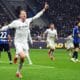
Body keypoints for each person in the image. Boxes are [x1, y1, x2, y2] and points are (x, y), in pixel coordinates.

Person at [0, 2, 49, 78]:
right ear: (20, 15)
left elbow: (37, 16)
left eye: (25, 14)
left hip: (25, 43)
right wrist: (1, 29)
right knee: (22, 56)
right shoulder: (16, 22)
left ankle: (18, 72)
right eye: (23, 14)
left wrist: (44, 9)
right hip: (18, 42)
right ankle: (16, 56)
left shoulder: (28, 21)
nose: (24, 15)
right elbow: (7, 27)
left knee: (23, 59)